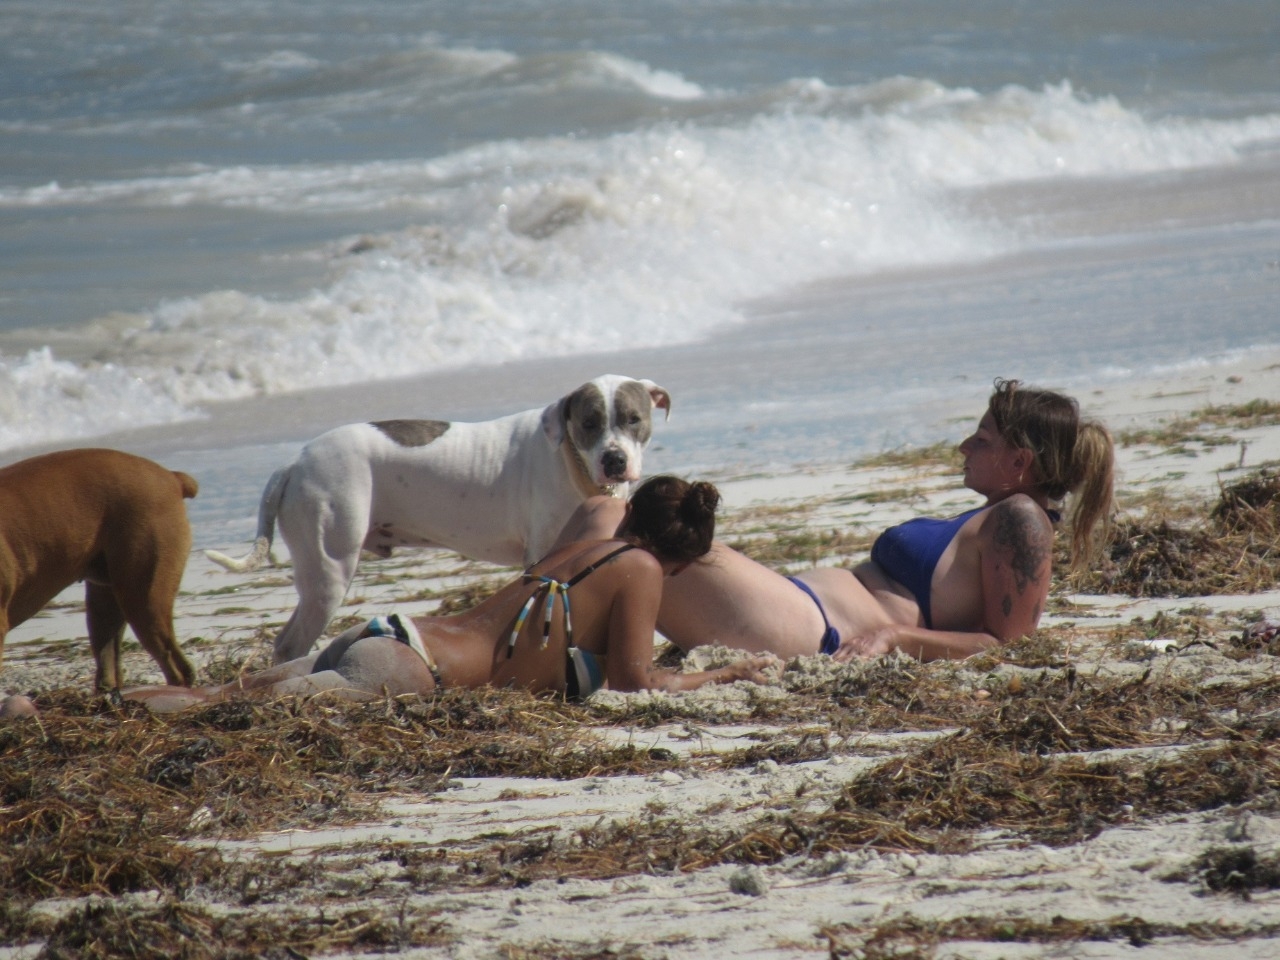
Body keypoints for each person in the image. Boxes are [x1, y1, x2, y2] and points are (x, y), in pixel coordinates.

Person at [114, 475, 774, 714]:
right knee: (221, 713)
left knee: (226, 694)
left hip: (399, 633)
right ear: (679, 559)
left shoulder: (581, 545)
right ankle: (57, 716)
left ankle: (77, 708)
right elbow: (635, 683)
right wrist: (723, 673)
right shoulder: (642, 569)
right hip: (411, 671)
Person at [559, 379, 1114, 662]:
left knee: (609, 514)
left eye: (984, 438)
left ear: (1020, 464)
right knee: (605, 517)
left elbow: (1006, 645)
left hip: (816, 629)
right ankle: (535, 641)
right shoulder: (992, 516)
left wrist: (895, 637)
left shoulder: (1022, 520)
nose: (966, 444)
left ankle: (524, 641)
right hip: (797, 607)